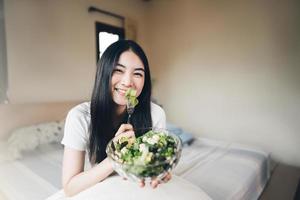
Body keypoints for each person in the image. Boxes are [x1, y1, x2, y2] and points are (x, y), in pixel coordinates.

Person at [61, 40, 171, 197]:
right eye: (118, 70)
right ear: (103, 72)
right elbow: (70, 188)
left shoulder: (156, 114)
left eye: (138, 73)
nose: (127, 82)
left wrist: (159, 171)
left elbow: (156, 163)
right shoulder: (80, 117)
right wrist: (115, 157)